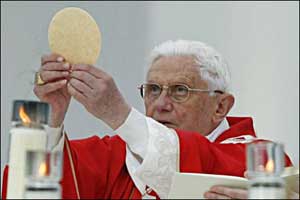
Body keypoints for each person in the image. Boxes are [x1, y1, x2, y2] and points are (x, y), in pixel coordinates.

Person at [2, 40, 293, 199]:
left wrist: (118, 113)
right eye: (153, 90)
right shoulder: (115, 155)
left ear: (220, 107)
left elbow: (197, 159)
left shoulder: (257, 162)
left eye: (180, 90)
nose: (161, 104)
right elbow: (34, 187)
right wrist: (53, 115)